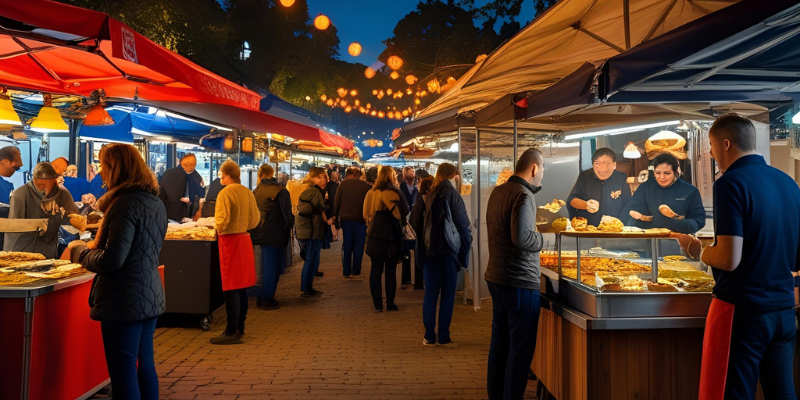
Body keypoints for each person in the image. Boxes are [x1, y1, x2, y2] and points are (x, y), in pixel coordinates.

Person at [692, 114, 800, 399]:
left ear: (725, 144)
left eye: (712, 147)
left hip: (742, 311)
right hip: (783, 312)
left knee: (731, 394)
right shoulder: (789, 183)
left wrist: (699, 251)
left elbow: (729, 259)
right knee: (782, 393)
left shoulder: (730, 183)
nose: (712, 154)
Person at [67, 143, 167, 400]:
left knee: (123, 374)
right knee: (145, 367)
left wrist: (81, 253)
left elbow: (112, 260)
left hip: (124, 300)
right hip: (148, 293)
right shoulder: (154, 201)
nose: (100, 171)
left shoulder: (124, 204)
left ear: (116, 168)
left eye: (103, 165)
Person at [484, 148, 546, 400]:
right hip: (519, 281)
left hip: (496, 277)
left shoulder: (498, 191)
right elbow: (521, 238)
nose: (542, 175)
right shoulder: (523, 194)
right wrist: (546, 237)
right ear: (533, 168)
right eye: (543, 170)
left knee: (500, 345)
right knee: (519, 352)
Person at [421, 163, 472, 345]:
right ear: (454, 176)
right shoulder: (452, 194)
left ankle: (428, 335)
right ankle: (443, 336)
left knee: (431, 295)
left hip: (430, 252)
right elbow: (463, 226)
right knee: (448, 296)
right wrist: (464, 253)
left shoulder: (430, 194)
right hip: (448, 253)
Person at [211, 160, 260, 345]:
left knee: (230, 285)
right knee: (241, 286)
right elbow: (256, 219)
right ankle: (241, 326)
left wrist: (218, 229)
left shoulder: (225, 193)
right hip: (244, 239)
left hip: (229, 241)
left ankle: (232, 330)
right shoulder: (247, 192)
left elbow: (222, 220)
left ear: (225, 174)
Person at [5, 162, 80, 258]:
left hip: (48, 254)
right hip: (20, 253)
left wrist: (61, 215)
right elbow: (15, 230)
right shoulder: (20, 195)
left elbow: (74, 222)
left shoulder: (62, 194)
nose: (46, 189)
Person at [624, 153, 706, 234]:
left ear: (675, 172)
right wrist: (637, 217)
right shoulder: (645, 188)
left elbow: (698, 221)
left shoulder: (690, 191)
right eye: (658, 173)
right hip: (650, 239)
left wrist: (673, 223)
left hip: (679, 240)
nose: (662, 177)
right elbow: (630, 213)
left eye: (667, 173)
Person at [364, 166, 409, 312]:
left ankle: (377, 304)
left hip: (374, 235)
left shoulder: (371, 193)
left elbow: (365, 214)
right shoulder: (395, 193)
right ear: (392, 176)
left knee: (375, 270)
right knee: (390, 271)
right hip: (391, 237)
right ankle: (390, 303)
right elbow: (404, 212)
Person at [251, 165, 294, 310]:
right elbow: (287, 216)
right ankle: (267, 298)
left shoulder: (256, 191)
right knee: (273, 268)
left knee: (264, 268)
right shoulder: (281, 190)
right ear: (272, 174)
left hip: (260, 233)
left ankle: (262, 296)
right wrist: (287, 229)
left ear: (260, 175)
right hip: (276, 234)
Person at [567, 148, 631, 226]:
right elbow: (571, 200)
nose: (602, 169)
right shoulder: (585, 177)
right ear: (592, 164)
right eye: (597, 163)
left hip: (614, 230)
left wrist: (619, 224)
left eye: (607, 163)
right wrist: (586, 205)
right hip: (589, 230)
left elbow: (628, 205)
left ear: (614, 165)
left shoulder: (621, 178)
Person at [333, 167, 372, 278]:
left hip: (346, 219)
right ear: (358, 174)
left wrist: (335, 216)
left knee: (347, 244)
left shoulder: (342, 185)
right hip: (361, 219)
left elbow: (337, 202)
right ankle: (356, 269)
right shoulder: (365, 186)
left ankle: (346, 270)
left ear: (347, 174)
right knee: (359, 245)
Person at [296, 167, 328, 297]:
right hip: (311, 230)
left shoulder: (306, 189)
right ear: (312, 178)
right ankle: (306, 288)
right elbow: (320, 209)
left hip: (306, 229)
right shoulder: (314, 191)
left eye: (324, 177)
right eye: (319, 177)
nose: (322, 180)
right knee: (310, 259)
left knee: (310, 258)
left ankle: (308, 287)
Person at [158, 154, 205, 222]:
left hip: (187, 215)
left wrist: (199, 211)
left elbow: (201, 195)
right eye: (193, 164)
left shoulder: (196, 176)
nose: (194, 166)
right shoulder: (171, 174)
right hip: (170, 216)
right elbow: (169, 195)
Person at [409, 176, 434, 290]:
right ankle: (421, 282)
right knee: (423, 258)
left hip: (420, 234)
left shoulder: (420, 197)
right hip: (424, 235)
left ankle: (419, 282)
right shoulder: (425, 199)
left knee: (420, 257)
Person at [399, 166, 418, 288]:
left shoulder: (416, 187)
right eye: (410, 172)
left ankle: (416, 279)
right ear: (405, 174)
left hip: (415, 221)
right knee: (406, 250)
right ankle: (405, 278)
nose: (413, 173)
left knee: (416, 248)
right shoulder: (401, 188)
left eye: (413, 172)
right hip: (405, 221)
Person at [327, 171, 340, 242]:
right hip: (335, 204)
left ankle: (332, 235)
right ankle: (336, 236)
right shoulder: (337, 185)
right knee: (335, 219)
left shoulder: (328, 184)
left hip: (329, 204)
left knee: (331, 219)